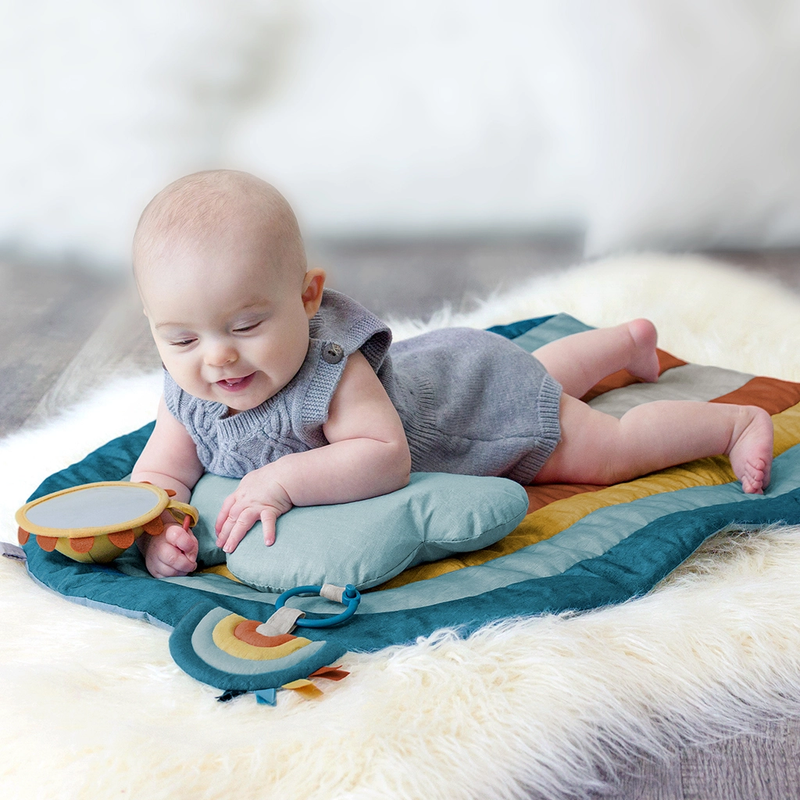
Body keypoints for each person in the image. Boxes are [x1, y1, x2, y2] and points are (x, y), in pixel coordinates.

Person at [130, 170, 774, 580]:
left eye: (245, 327)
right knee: (535, 374)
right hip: (459, 371)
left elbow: (385, 458)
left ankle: (729, 423)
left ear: (308, 297)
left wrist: (280, 481)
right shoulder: (190, 390)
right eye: (182, 337)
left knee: (599, 445)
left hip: (480, 414)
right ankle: (626, 344)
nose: (216, 359)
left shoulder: (331, 373)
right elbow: (161, 473)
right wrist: (161, 532)